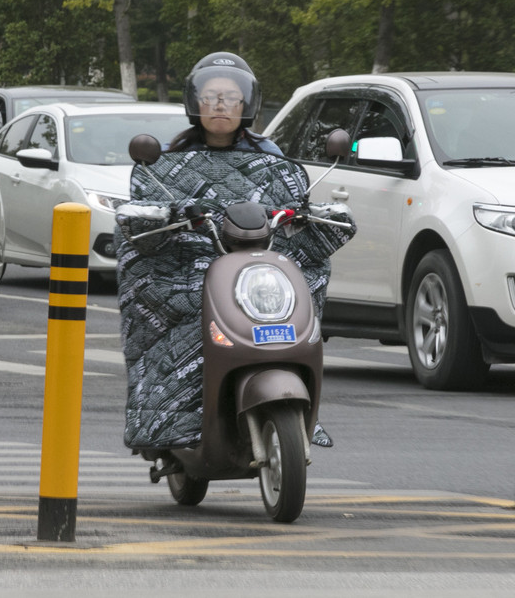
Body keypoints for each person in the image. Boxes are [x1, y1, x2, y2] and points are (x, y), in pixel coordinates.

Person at [114, 51, 352, 453]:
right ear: (195, 103)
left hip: (259, 269)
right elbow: (144, 215)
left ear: (246, 104)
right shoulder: (164, 164)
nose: (221, 104)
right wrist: (173, 214)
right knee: (182, 309)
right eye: (211, 96)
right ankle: (169, 419)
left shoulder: (274, 161)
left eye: (230, 96)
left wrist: (306, 216)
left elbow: (295, 211)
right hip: (189, 266)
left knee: (299, 295)